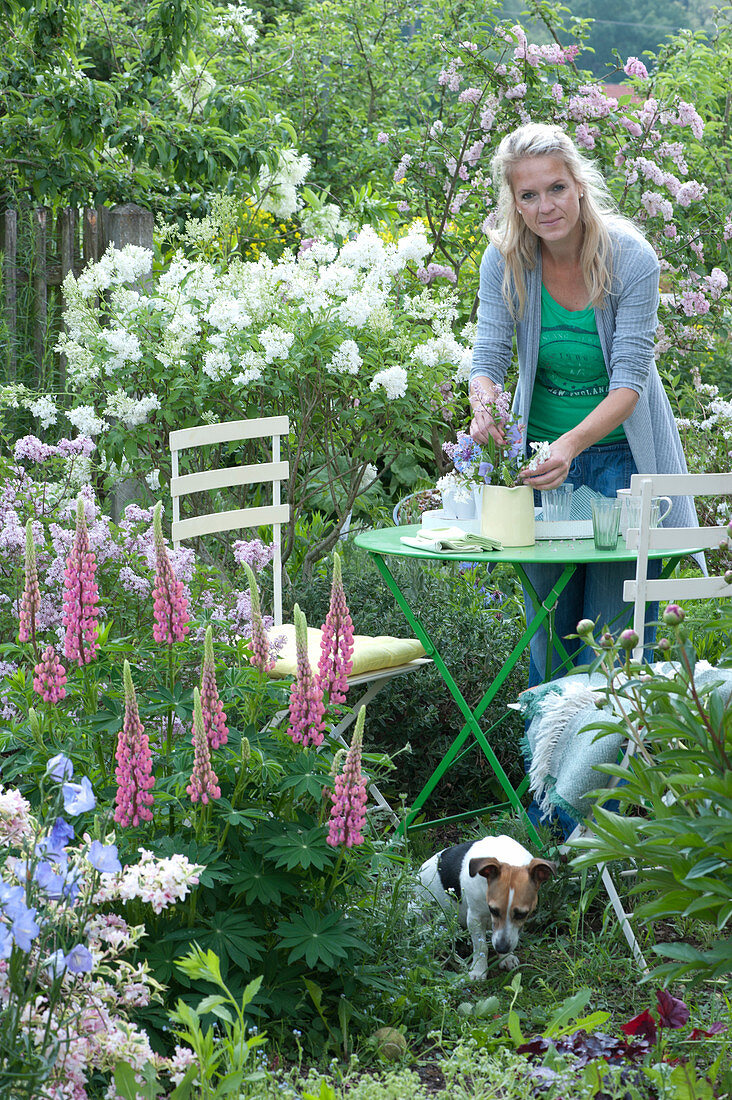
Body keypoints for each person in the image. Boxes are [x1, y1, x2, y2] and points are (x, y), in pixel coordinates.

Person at [469, 122, 694, 687]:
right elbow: (488, 358)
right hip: (539, 474)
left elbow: (629, 384)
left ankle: (610, 777)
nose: (546, 206)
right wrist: (485, 410)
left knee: (612, 653)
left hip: (624, 468)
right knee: (550, 651)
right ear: (514, 203)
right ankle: (544, 778)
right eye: (529, 195)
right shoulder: (505, 262)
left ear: (580, 185)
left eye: (556, 188)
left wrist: (569, 446)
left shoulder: (630, 259)